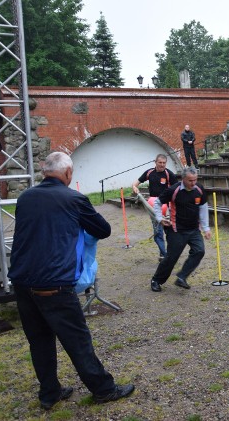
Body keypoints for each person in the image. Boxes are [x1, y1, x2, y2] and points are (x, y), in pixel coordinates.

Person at [8, 152, 135, 410]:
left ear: (45, 172)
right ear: (67, 174)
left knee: (40, 341)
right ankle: (104, 389)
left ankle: (49, 394)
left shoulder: (24, 198)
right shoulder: (74, 198)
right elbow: (103, 230)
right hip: (54, 283)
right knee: (78, 341)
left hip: (21, 281)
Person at [150, 167, 212, 292]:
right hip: (176, 230)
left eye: (195, 180)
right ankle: (156, 280)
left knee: (199, 251)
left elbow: (203, 208)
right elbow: (157, 202)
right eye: (190, 180)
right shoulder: (174, 190)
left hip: (194, 229)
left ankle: (182, 277)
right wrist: (159, 218)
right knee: (172, 258)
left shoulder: (199, 190)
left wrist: (206, 228)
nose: (193, 183)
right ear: (183, 179)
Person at [132, 154, 179, 261]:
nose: (162, 165)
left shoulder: (168, 174)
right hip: (153, 206)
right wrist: (134, 187)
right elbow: (136, 183)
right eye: (160, 162)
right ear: (155, 162)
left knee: (169, 232)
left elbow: (177, 188)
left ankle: (168, 254)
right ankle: (164, 254)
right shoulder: (149, 173)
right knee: (158, 232)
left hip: (166, 207)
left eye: (164, 163)